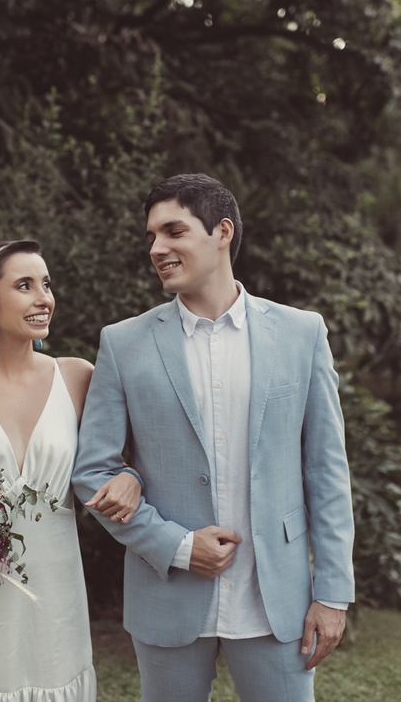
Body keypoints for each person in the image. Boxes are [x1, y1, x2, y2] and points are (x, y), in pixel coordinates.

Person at [72, 174, 355, 702]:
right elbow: (93, 471)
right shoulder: (123, 342)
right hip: (166, 593)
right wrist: (178, 548)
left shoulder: (302, 333)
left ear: (222, 231)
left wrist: (334, 594)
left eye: (173, 231)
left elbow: (327, 470)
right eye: (152, 236)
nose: (157, 248)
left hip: (278, 600)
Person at [0, 239, 143, 702]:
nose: (44, 298)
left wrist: (131, 477)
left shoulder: (78, 377)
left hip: (55, 594)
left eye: (47, 284)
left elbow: (128, 462)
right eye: (24, 285)